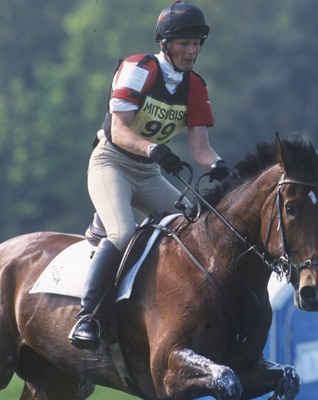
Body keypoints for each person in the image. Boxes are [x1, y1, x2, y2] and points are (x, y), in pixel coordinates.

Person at [68, 0, 232, 351]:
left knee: (193, 225)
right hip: (111, 162)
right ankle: (87, 316)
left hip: (147, 172)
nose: (192, 51)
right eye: (184, 43)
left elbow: (201, 149)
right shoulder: (138, 68)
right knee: (124, 231)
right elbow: (120, 129)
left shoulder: (195, 86)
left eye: (197, 43)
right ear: (164, 43)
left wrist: (221, 166)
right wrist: (155, 149)